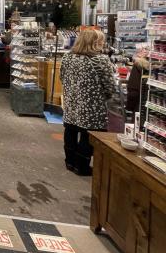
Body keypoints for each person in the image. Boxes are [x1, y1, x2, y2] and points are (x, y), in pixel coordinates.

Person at [60, 30, 114, 176]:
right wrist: (107, 96)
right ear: (94, 42)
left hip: (72, 101)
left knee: (70, 129)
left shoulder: (67, 57)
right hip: (92, 105)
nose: (102, 44)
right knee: (87, 134)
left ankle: (69, 161)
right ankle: (81, 166)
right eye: (100, 41)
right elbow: (109, 85)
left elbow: (62, 77)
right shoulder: (100, 60)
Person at [126, 47, 149, 114]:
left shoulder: (137, 63)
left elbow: (133, 86)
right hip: (140, 96)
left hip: (136, 95)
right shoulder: (141, 64)